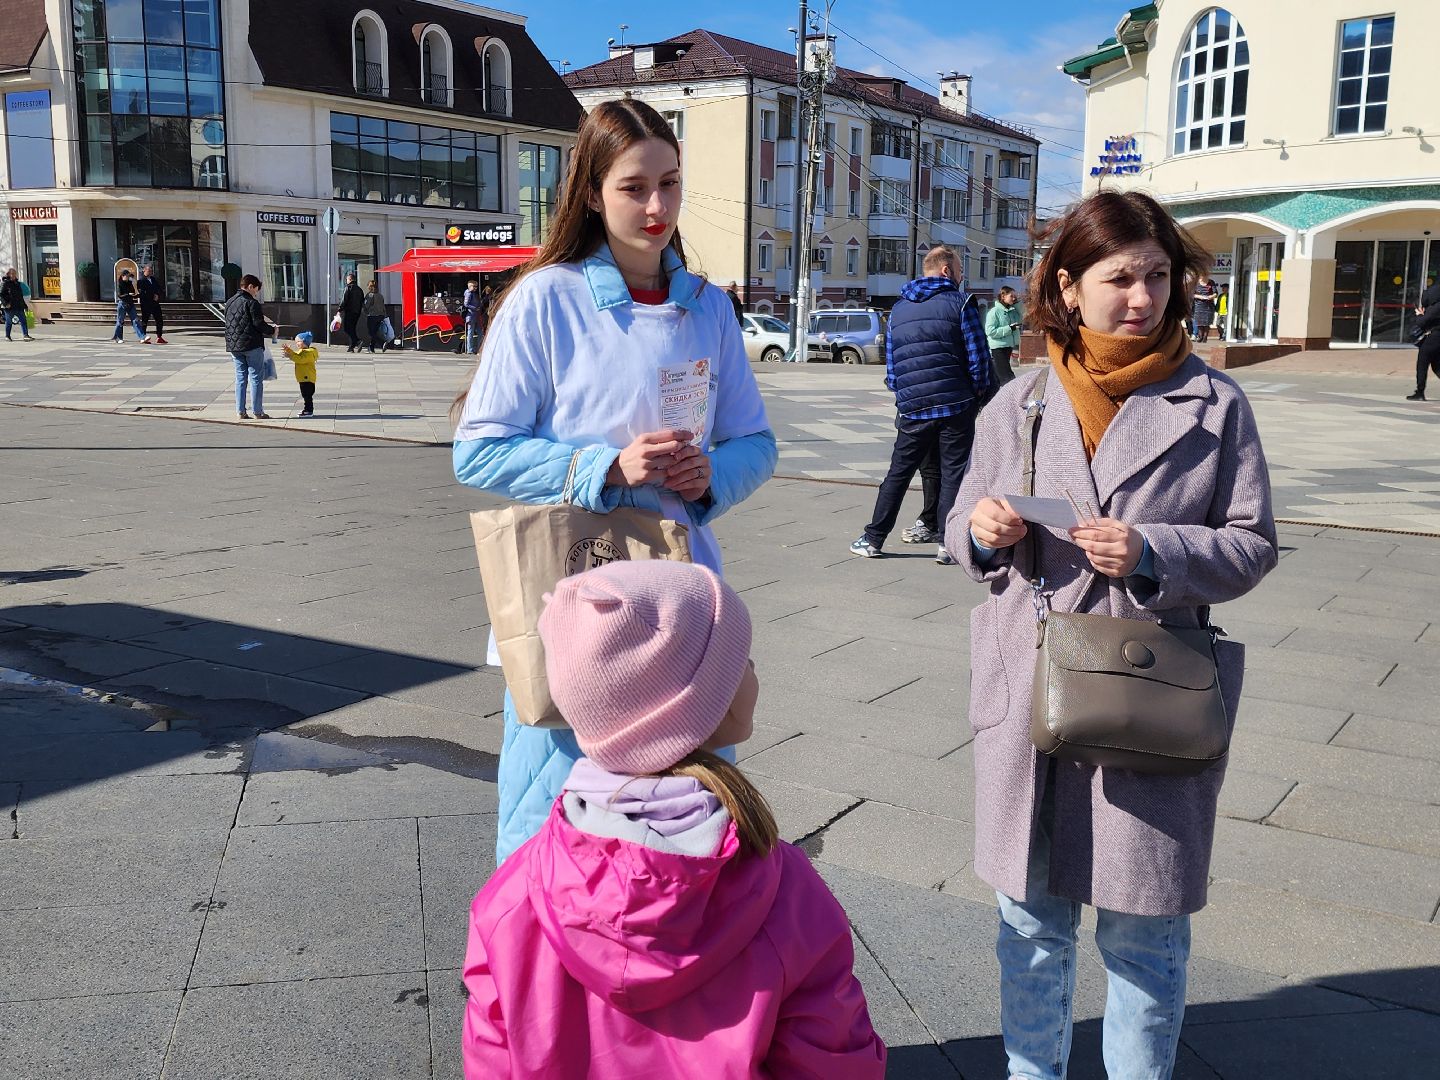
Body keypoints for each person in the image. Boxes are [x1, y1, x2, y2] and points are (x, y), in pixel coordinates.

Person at [949, 190, 1278, 1080]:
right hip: (1028, 692)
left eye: (1159, 277)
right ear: (1067, 285)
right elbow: (960, 529)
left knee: (1145, 934)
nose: (1143, 298)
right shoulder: (1017, 404)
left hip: (1146, 697)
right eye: (1120, 278)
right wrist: (982, 532)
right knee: (1030, 928)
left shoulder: (1215, 404)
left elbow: (1252, 546)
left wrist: (1153, 550)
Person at [452, 97, 777, 864]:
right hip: (575, 594)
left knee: (689, 821)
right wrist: (603, 467)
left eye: (670, 183)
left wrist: (709, 477)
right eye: (634, 187)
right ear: (592, 191)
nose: (657, 206)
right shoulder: (546, 298)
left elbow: (756, 442)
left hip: (681, 595)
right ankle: (536, 976)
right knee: (549, 826)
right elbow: (479, 450)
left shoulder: (709, 309)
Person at [462, 559, 886, 1079]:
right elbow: (833, 1061)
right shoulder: (785, 891)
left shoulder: (511, 896)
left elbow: (492, 1056)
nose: (752, 674)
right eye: (741, 661)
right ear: (706, 704)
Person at [849, 244, 990, 565]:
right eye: (959, 269)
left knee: (898, 473)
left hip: (912, 407)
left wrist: (903, 394)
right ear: (946, 271)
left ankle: (872, 538)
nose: (961, 276)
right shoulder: (961, 302)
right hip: (955, 404)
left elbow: (892, 364)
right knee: (953, 474)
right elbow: (978, 358)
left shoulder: (898, 308)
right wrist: (978, 396)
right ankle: (947, 544)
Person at [225, 274, 275, 419]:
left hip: (234, 346)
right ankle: (258, 411)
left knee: (240, 378)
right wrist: (272, 330)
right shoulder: (251, 303)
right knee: (256, 378)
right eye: (256, 290)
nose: (256, 293)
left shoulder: (229, 301)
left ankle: (240, 411)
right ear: (250, 287)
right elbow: (258, 324)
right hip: (251, 345)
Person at [1407, 279, 1440, 401]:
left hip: (1433, 338)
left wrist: (1419, 314)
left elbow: (1422, 322)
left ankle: (1420, 392)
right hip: (1436, 339)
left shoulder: (1435, 308)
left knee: (1422, 363)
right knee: (1437, 365)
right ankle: (1419, 391)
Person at [985, 285, 1023, 384]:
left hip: (1008, 346)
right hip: (997, 348)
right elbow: (990, 331)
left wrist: (1017, 304)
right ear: (1003, 296)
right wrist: (1009, 329)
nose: (1014, 298)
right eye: (1012, 296)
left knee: (998, 377)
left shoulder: (1012, 311)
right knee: (1007, 377)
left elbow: (1022, 318)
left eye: (1015, 296)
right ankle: (1014, 396)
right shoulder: (994, 312)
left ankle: (994, 396)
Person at [282, 330, 319, 417]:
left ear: (304, 342)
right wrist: (288, 350)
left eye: (298, 341)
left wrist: (290, 356)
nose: (297, 344)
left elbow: (300, 359)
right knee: (306, 394)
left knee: (307, 395)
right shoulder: (304, 351)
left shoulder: (309, 353)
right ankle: (307, 409)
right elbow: (297, 355)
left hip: (307, 378)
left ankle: (308, 411)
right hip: (304, 377)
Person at [112, 269, 147, 344]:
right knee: (120, 321)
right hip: (122, 303)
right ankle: (118, 337)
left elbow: (134, 292)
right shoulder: (119, 283)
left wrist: (137, 293)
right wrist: (128, 294)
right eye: (127, 276)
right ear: (123, 276)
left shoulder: (130, 283)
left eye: (129, 276)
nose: (128, 278)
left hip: (130, 303)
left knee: (135, 320)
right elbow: (119, 295)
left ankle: (142, 337)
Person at [1, 268, 34, 341]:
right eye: (12, 274)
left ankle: (26, 335)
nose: (13, 275)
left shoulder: (17, 284)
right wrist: (6, 304)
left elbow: (20, 295)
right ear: (8, 274)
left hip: (19, 306)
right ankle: (7, 336)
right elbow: (1, 295)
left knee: (23, 321)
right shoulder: (5, 284)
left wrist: (25, 305)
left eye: (14, 274)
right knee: (9, 322)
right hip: (9, 307)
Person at [138, 263, 167, 344]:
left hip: (155, 303)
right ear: (144, 270)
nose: (150, 272)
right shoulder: (141, 280)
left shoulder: (153, 279)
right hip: (146, 303)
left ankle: (159, 336)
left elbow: (159, 288)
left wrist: (158, 294)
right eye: (148, 270)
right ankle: (143, 337)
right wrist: (152, 295)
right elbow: (142, 292)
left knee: (159, 319)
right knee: (145, 320)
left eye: (151, 271)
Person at [339, 272, 365, 352]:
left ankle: (357, 341)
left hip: (350, 311)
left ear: (350, 279)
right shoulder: (360, 289)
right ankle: (351, 347)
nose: (346, 281)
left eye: (347, 279)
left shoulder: (348, 288)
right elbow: (362, 301)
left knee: (347, 328)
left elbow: (344, 299)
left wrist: (340, 309)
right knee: (352, 328)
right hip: (357, 312)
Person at [362, 278, 387, 353]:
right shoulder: (380, 295)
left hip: (372, 316)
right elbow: (383, 306)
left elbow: (366, 305)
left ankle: (382, 343)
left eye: (368, 286)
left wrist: (363, 307)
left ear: (370, 287)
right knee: (374, 332)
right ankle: (371, 348)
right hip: (380, 316)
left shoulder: (370, 295)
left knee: (371, 332)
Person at [1191, 273, 1217, 342]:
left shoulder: (1211, 282)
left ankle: (1205, 337)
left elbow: (1215, 293)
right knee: (1199, 322)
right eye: (1203, 274)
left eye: (1206, 274)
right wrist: (1201, 297)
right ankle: (1200, 336)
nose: (1205, 276)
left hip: (1209, 306)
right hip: (1199, 305)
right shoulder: (1196, 283)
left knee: (1207, 322)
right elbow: (1191, 294)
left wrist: (1210, 297)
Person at [460, 279, 480, 354]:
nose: (476, 288)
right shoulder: (468, 293)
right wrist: (475, 308)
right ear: (470, 286)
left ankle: (476, 348)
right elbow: (466, 304)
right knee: (471, 332)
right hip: (471, 315)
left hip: (475, 314)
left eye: (476, 286)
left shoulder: (473, 293)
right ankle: (470, 349)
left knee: (478, 332)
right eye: (474, 286)